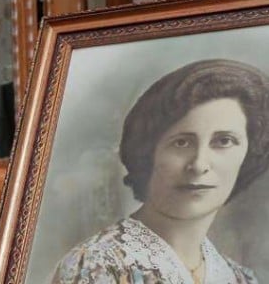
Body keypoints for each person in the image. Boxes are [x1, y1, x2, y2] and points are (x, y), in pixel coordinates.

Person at [51, 58, 269, 284]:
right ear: (148, 151)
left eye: (224, 141)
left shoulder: (240, 278)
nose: (199, 164)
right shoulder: (96, 267)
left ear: (249, 152)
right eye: (182, 143)